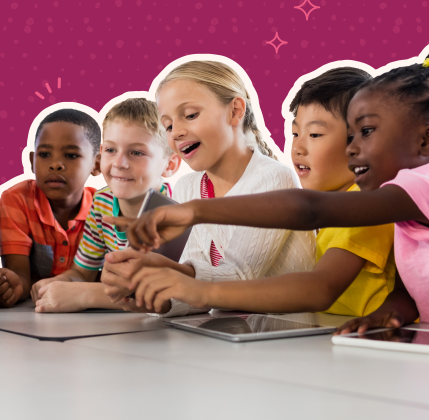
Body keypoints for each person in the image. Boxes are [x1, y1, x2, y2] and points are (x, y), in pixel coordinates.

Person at [109, 55, 429, 328]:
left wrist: (195, 276)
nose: (352, 147)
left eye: (366, 132)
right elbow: (407, 288)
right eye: (295, 133)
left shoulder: (389, 198)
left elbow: (310, 229)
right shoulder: (392, 210)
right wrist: (391, 313)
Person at [102, 60, 316, 317]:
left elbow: (240, 279)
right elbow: (198, 290)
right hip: (231, 335)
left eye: (190, 115)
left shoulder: (273, 178)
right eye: (168, 126)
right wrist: (160, 300)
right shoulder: (187, 188)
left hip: (289, 336)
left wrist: (172, 275)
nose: (177, 133)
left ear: (235, 111)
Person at [31, 98, 181, 313]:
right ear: (100, 156)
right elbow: (83, 273)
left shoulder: (177, 209)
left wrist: (83, 296)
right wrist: (57, 284)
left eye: (136, 152)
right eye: (111, 150)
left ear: (170, 164)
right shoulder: (102, 202)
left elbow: (165, 292)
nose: (119, 163)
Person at [0, 109, 101, 308]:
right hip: (36, 312)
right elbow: (21, 277)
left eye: (70, 155)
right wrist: (14, 287)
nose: (55, 164)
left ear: (97, 163)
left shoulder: (104, 208)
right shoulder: (17, 200)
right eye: (44, 154)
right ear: (32, 161)